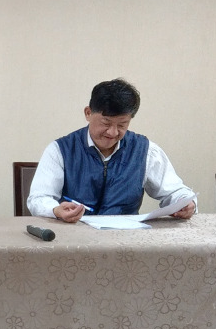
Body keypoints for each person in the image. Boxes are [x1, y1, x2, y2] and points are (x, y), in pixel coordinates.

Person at [27, 78, 196, 222]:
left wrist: (185, 203)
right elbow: (39, 198)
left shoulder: (145, 151)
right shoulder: (60, 150)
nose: (113, 132)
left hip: (125, 240)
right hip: (73, 238)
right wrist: (55, 210)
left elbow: (175, 191)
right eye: (106, 123)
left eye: (122, 125)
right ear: (88, 113)